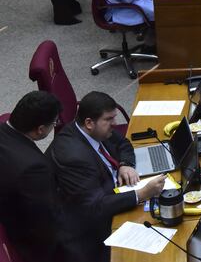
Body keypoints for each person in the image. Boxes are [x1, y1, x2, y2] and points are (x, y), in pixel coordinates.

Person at [47, 91, 165, 262]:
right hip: (87, 230)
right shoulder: (74, 157)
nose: (114, 124)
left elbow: (123, 143)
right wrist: (141, 194)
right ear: (89, 122)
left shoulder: (95, 131)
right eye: (109, 119)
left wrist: (125, 164)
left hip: (109, 192)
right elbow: (95, 207)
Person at [0, 91, 62, 262]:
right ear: (40, 129)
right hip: (29, 242)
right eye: (54, 123)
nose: (55, 125)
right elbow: (45, 224)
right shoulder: (34, 168)